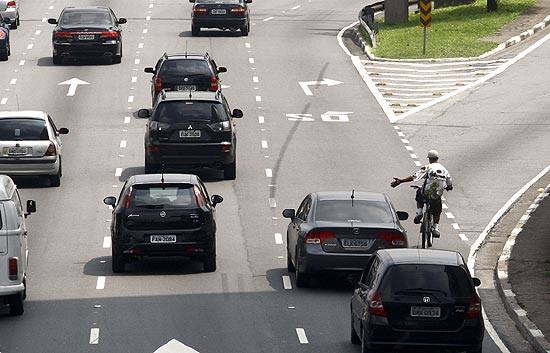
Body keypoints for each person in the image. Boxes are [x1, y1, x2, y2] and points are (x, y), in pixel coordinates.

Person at [390, 150, 453, 237]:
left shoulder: (428, 167)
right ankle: (435, 228)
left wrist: (400, 181)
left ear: (429, 159)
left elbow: (414, 177)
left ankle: (419, 212)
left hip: (426, 193)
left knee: (419, 193)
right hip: (436, 195)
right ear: (437, 158)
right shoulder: (444, 169)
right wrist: (449, 187)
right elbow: (449, 181)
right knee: (437, 210)